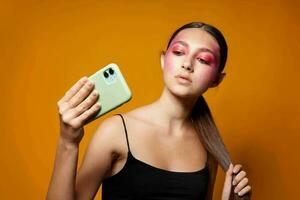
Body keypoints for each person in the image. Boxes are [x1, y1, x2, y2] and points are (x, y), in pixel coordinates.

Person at [46, 22, 252, 200]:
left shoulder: (209, 147)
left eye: (203, 60)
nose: (187, 64)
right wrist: (68, 142)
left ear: (217, 79)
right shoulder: (115, 132)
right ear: (163, 60)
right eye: (179, 52)